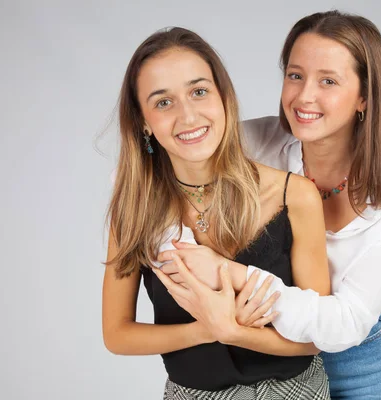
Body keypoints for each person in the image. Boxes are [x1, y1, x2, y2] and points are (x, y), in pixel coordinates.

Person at [154, 11, 381, 400]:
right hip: (273, 358)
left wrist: (230, 279)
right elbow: (159, 174)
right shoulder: (252, 143)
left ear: (365, 96)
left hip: (360, 360)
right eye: (295, 75)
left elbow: (346, 323)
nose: (304, 96)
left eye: (328, 81)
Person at [101, 27, 333, 399]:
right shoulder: (134, 209)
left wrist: (235, 331)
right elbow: (117, 334)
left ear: (223, 96)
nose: (188, 115)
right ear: (143, 120)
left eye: (198, 91)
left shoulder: (294, 196)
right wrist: (207, 328)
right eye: (163, 102)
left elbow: (316, 339)